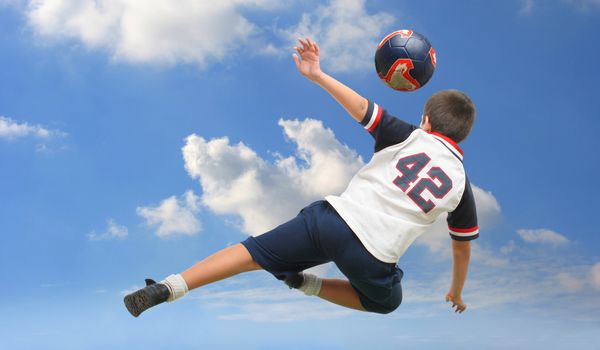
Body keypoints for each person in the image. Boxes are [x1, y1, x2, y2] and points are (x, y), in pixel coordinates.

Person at [124, 38, 478, 317]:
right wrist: (456, 291)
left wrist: (317, 74)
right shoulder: (461, 186)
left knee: (248, 254)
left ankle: (170, 287)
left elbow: (361, 107)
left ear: (427, 121)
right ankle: (306, 284)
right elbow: (461, 250)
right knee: (386, 302)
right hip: (372, 255)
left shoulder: (409, 136)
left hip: (330, 219)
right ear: (460, 136)